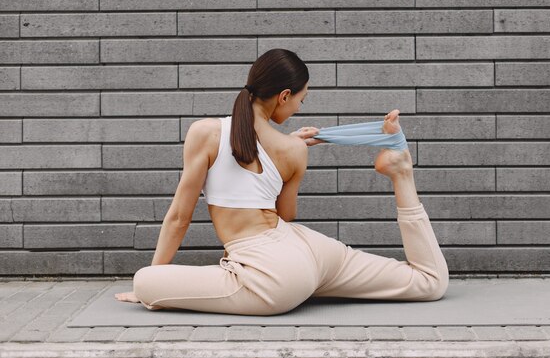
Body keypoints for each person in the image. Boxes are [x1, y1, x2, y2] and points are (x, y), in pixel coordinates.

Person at [115, 48, 449, 315]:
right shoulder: (293, 150)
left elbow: (179, 218)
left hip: (273, 277)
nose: (298, 108)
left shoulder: (206, 133)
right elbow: (285, 215)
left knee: (146, 282)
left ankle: (150, 283)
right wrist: (289, 145)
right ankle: (402, 173)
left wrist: (152, 280)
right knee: (428, 282)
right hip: (310, 252)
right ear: (284, 95)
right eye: (301, 100)